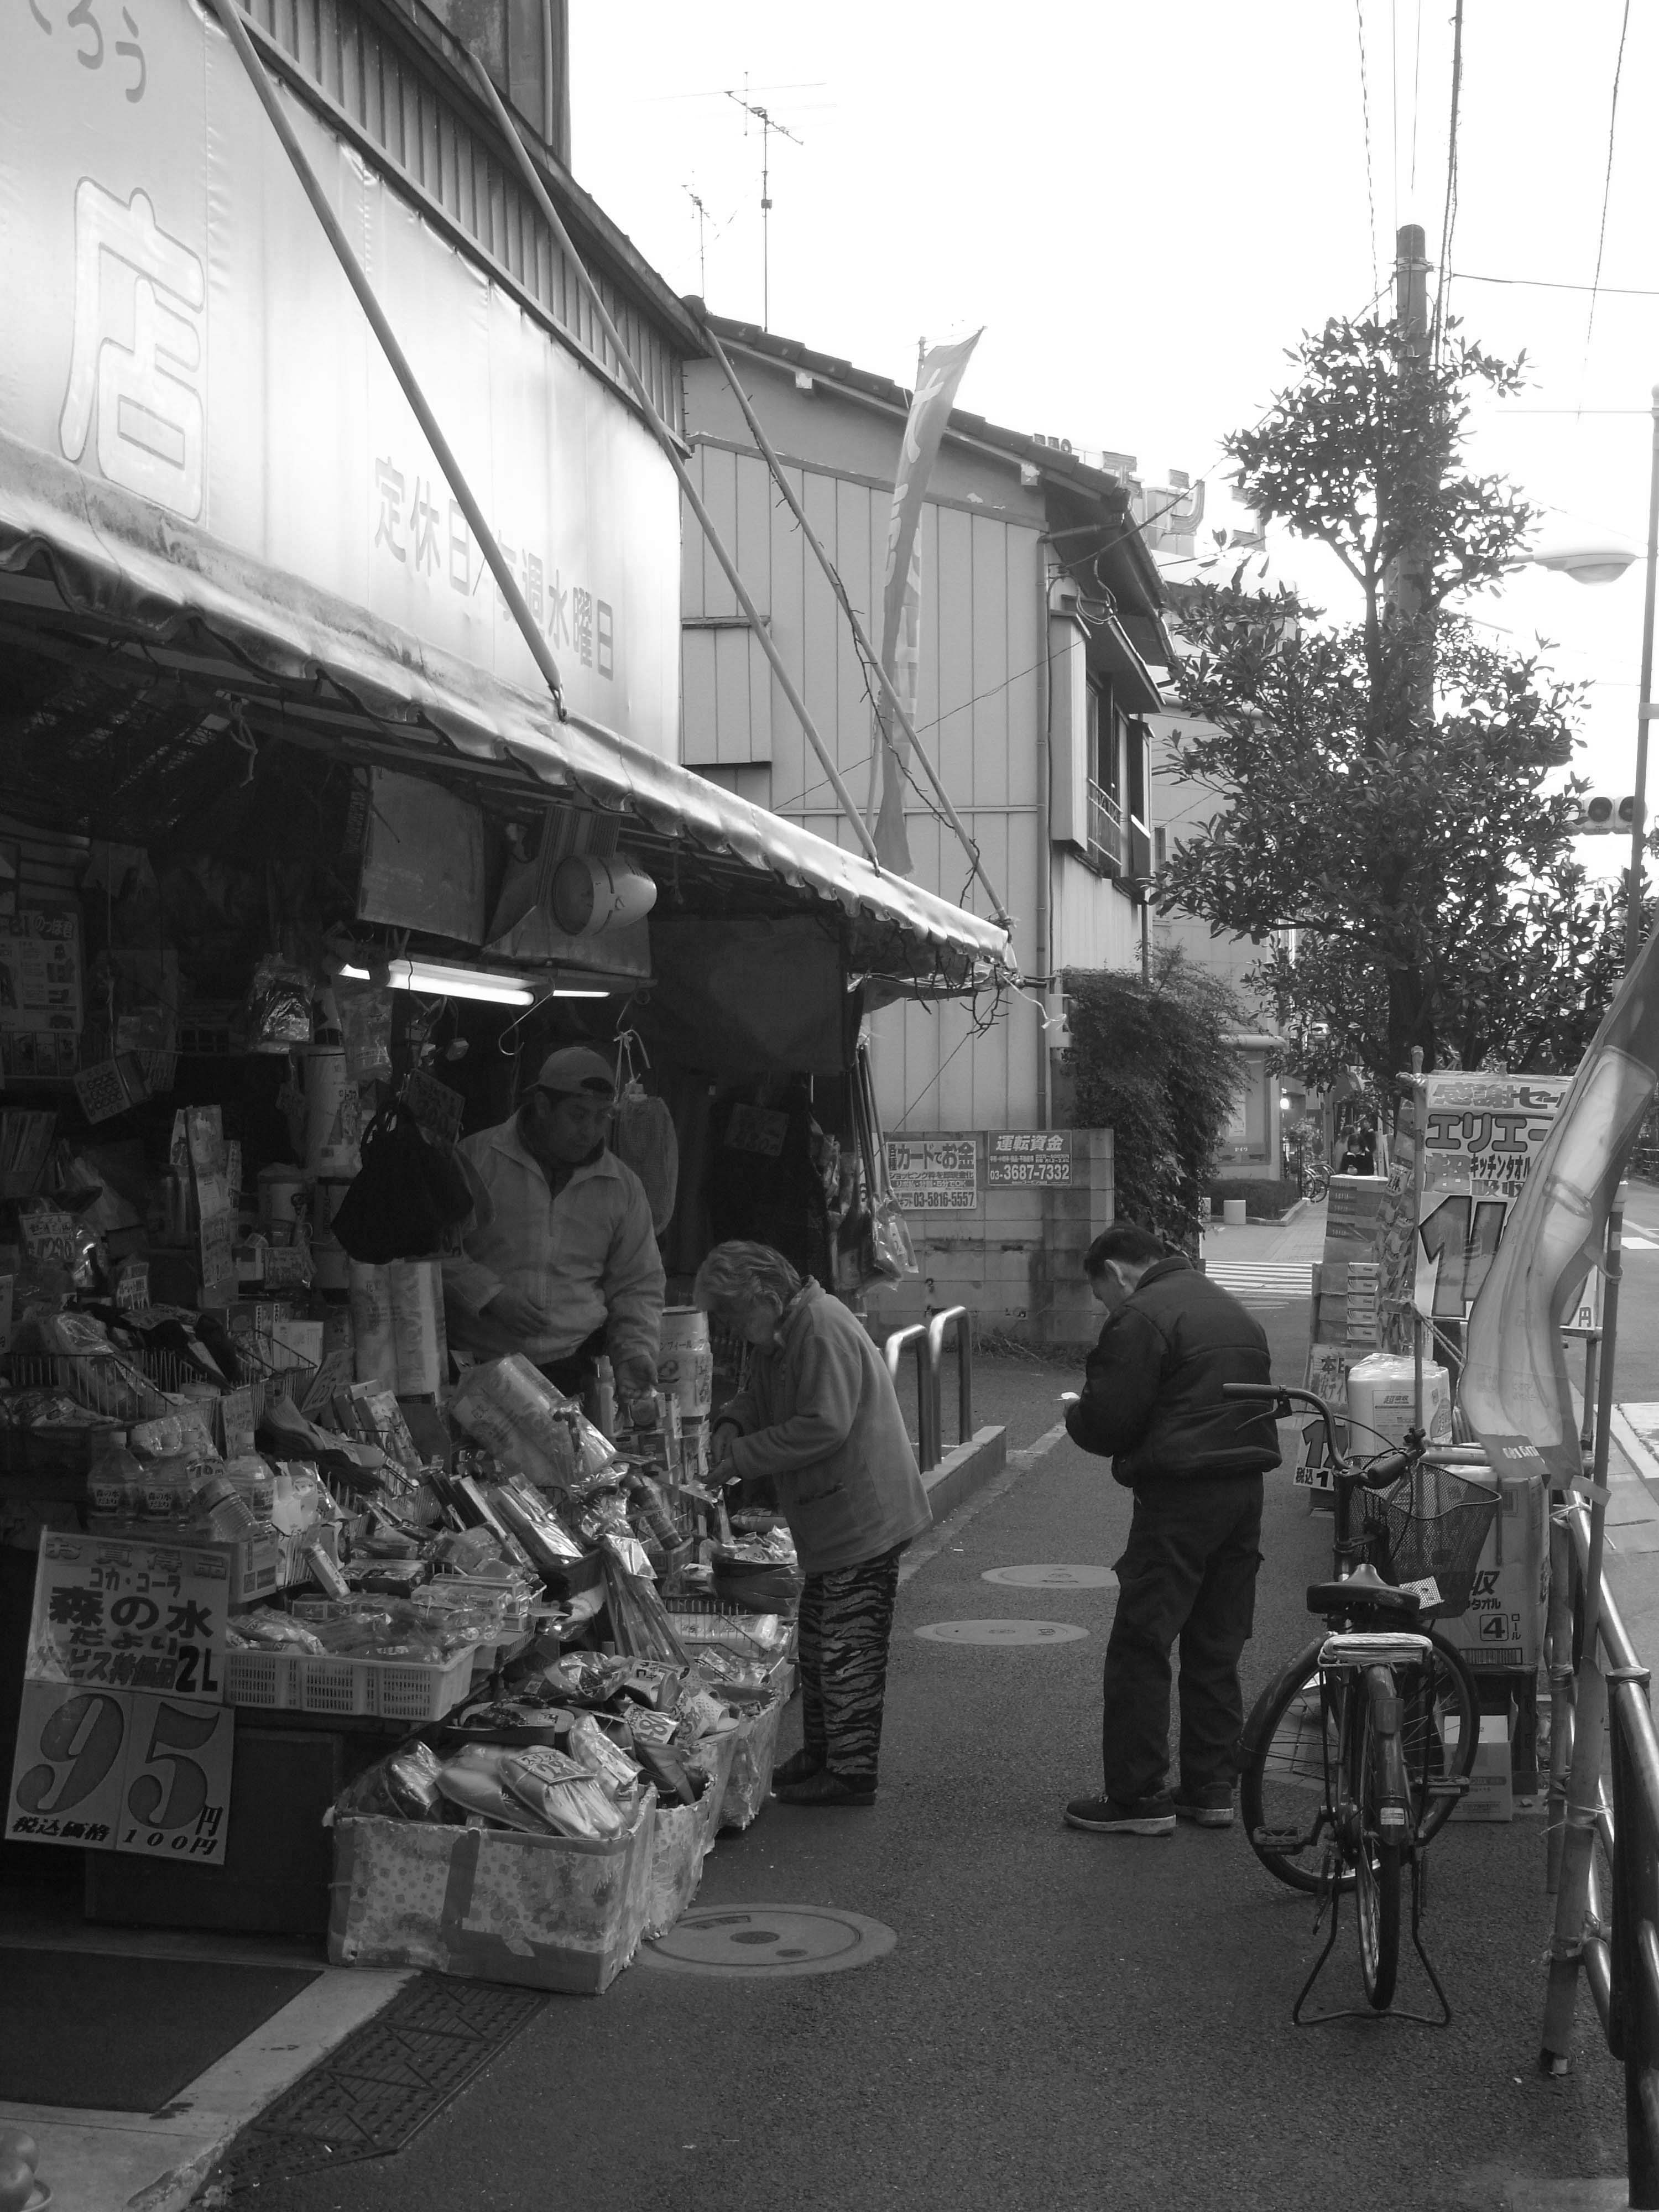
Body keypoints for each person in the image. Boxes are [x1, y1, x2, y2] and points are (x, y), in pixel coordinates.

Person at [1062, 1222, 1281, 1838]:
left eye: (1101, 1293)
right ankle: (1212, 1786)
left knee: (1144, 1640)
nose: (1106, 1305)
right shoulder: (1231, 1309)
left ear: (1116, 1272)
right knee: (1216, 1640)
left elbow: (1110, 1418)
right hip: (1245, 1489)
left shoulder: (1142, 1315)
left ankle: (1137, 1797)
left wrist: (1075, 1416)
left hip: (1181, 1491)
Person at [695, 1240, 931, 1808]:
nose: (729, 1326)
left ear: (766, 1295)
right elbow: (757, 1396)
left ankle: (850, 1771)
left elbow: (824, 1424)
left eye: (732, 1312)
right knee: (824, 1638)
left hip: (862, 1515)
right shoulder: (784, 1330)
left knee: (847, 1644)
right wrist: (732, 1421)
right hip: (836, 1518)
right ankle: (827, 1754)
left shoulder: (820, 1328)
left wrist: (743, 1454)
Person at [442, 1045, 664, 1410]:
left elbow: (639, 1283)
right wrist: (491, 1295)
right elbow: (436, 1250)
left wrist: (635, 1350)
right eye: (578, 1115)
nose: (590, 1131)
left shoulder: (622, 1186)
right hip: (477, 1366)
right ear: (543, 1106)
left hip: (573, 1368)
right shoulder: (477, 1159)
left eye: (601, 1117)